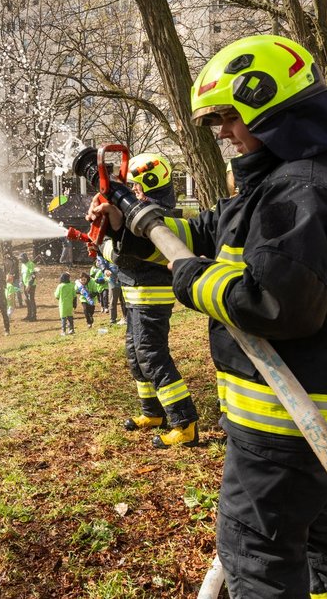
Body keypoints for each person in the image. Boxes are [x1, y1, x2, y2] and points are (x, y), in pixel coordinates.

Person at [95, 35, 327, 598]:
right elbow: (206, 234)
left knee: (256, 550)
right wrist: (132, 223)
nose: (222, 132)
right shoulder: (287, 182)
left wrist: (189, 280)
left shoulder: (296, 193)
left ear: (268, 103)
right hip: (315, 415)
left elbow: (275, 302)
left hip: (287, 417)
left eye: (227, 116)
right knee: (316, 526)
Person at [102, 151, 200, 449]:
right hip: (135, 295)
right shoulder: (145, 211)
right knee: (136, 355)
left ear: (143, 186)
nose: (131, 191)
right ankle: (152, 413)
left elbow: (126, 258)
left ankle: (184, 423)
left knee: (152, 355)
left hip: (149, 297)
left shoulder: (151, 218)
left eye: (134, 185)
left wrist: (103, 245)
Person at [19, 253, 37, 321]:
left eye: (21, 259)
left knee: (31, 300)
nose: (20, 260)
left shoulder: (31, 264)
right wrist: (21, 282)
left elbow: (33, 276)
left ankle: (33, 316)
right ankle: (29, 315)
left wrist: (29, 285)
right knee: (27, 300)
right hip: (25, 285)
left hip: (31, 285)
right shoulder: (22, 265)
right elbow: (22, 275)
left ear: (25, 258)